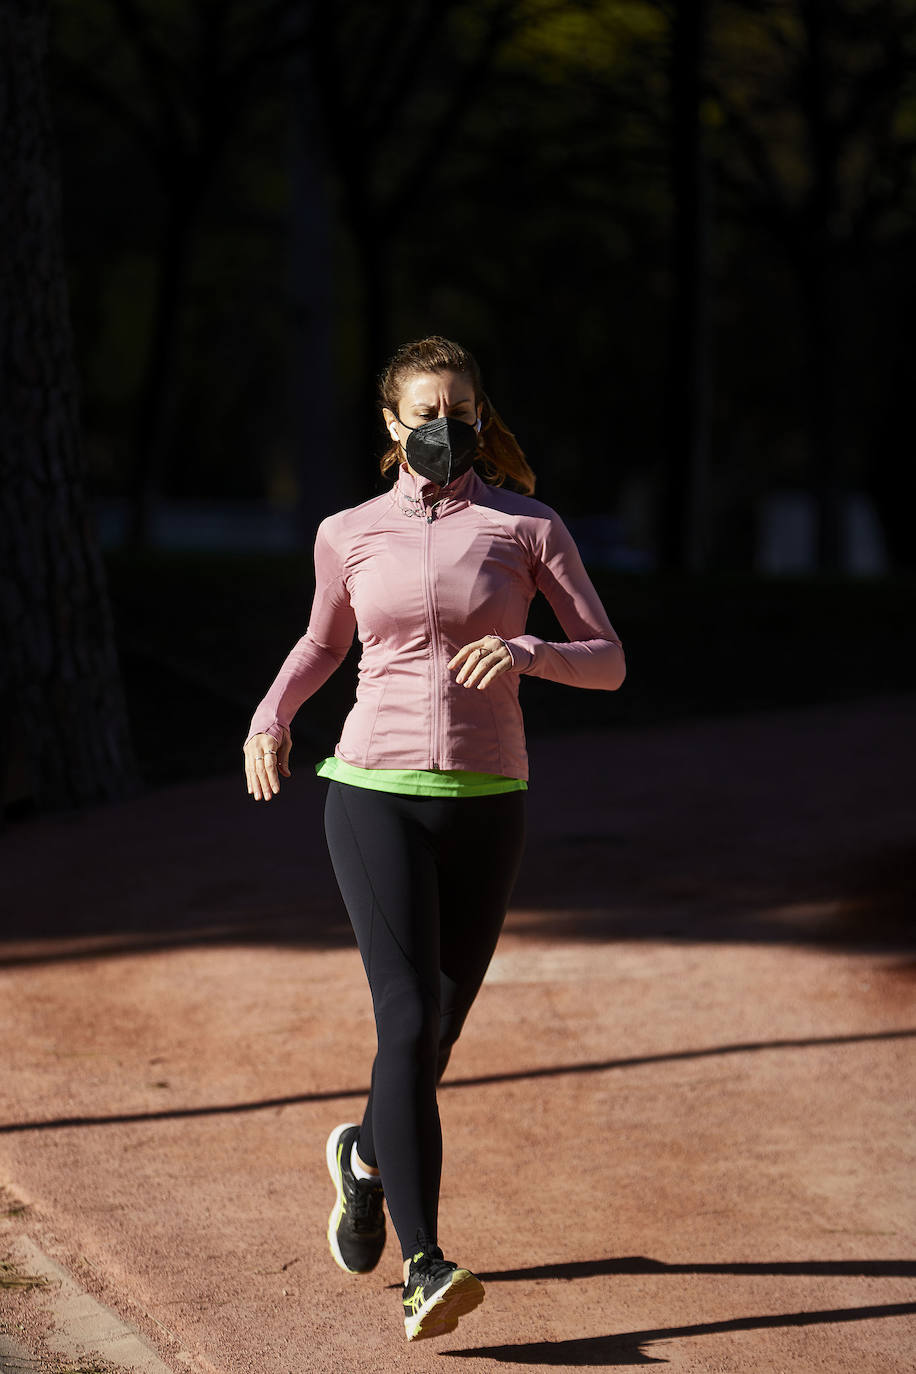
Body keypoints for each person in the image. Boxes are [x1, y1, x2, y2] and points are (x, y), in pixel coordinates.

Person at [243, 335, 625, 1342]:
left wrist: (531, 649)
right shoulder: (347, 531)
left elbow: (609, 661)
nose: (441, 426)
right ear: (390, 422)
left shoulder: (526, 526)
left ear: (477, 412)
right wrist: (272, 717)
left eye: (457, 408)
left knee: (437, 1033)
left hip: (490, 795)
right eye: (423, 411)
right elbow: (323, 641)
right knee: (407, 1021)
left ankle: (365, 1157)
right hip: (373, 789)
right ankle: (425, 1265)